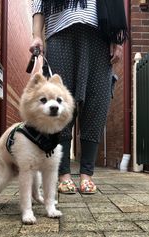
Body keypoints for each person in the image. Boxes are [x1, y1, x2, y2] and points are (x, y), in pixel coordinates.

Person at [30, 0, 127, 194]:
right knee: (60, 103)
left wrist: (117, 39)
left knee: (97, 102)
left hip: (100, 37)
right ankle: (63, 173)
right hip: (61, 34)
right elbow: (39, 2)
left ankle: (87, 175)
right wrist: (36, 35)